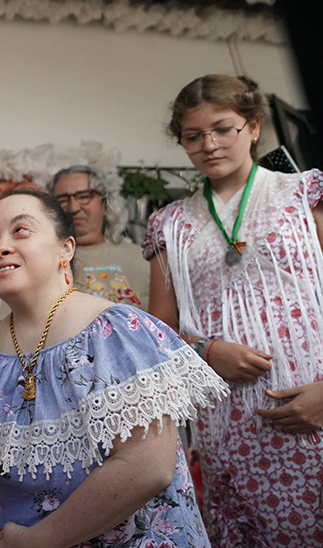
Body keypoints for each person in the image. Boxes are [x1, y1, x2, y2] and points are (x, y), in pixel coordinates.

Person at [0, 189, 227, 548]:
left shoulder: (119, 333)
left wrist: (35, 541)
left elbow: (148, 468)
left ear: (66, 248)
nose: (0, 247)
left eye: (20, 231)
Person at [143, 74, 323, 547]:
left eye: (224, 129)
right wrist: (205, 350)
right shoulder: (170, 225)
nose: (209, 145)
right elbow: (157, 333)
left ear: (254, 126)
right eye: (193, 136)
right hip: (229, 427)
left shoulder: (305, 195)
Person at [50, 165, 149, 309]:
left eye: (84, 196)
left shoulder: (144, 259)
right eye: (62, 200)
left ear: (105, 202)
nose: (73, 207)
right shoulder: (46, 261)